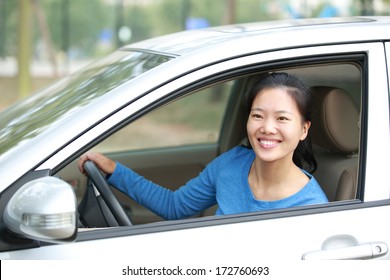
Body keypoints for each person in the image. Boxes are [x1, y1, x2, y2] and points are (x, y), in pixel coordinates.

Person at [78, 72, 328, 220]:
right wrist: (114, 170)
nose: (267, 128)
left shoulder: (312, 208)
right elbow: (174, 207)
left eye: (282, 118)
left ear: (304, 129)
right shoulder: (232, 163)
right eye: (258, 115)